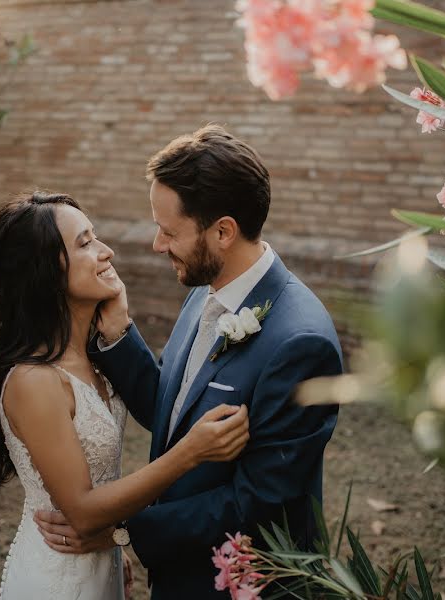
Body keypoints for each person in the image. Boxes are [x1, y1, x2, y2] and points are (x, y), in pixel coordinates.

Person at [35, 125, 344, 599]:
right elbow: (174, 413)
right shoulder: (207, 289)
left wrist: (125, 529)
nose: (157, 244)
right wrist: (118, 334)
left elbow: (260, 502)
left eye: (169, 231)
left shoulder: (301, 343)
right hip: (180, 577)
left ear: (222, 231)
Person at [0, 190, 250, 600]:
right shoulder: (35, 381)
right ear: (44, 271)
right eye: (85, 243)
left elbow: (156, 405)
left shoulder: (93, 356)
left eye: (96, 237)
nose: (107, 251)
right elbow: (82, 512)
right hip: (57, 578)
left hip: (102, 567)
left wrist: (118, 545)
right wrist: (189, 452)